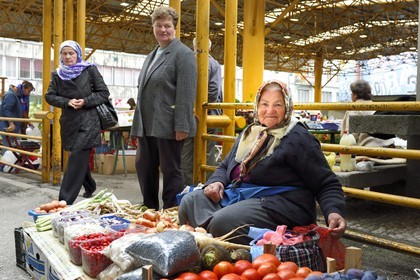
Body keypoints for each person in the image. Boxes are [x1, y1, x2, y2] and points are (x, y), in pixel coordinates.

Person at [178, 80, 347, 246]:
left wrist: (334, 212)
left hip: (279, 204)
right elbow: (226, 166)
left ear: (287, 107)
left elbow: (326, 182)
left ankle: (215, 231)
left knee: (224, 222)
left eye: (278, 105)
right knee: (190, 201)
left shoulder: (298, 138)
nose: (270, 111)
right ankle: (215, 234)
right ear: (257, 106)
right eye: (264, 104)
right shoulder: (250, 133)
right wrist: (217, 182)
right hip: (242, 198)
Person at [130, 6, 197, 210]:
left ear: (175, 28)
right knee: (144, 166)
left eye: (167, 26)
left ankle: (171, 210)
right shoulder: (152, 55)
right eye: (159, 26)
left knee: (171, 169)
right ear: (153, 28)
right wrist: (136, 126)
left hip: (169, 124)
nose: (163, 30)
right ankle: (149, 208)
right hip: (147, 124)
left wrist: (182, 125)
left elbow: (186, 93)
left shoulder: (183, 54)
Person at [45, 40, 111, 204]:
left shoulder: (89, 70)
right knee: (78, 156)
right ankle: (90, 186)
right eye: (64, 53)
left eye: (71, 53)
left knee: (76, 157)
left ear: (78, 54)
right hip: (69, 122)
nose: (68, 56)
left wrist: (85, 101)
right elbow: (50, 96)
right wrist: (67, 102)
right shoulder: (58, 74)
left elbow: (103, 93)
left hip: (89, 121)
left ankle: (64, 202)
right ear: (60, 55)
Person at [182, 38, 223, 185]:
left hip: (188, 115)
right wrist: (200, 105)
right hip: (209, 115)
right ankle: (207, 186)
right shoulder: (214, 64)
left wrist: (190, 105)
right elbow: (213, 91)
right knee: (207, 153)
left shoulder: (186, 62)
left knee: (186, 153)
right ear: (210, 49)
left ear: (193, 47)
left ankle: (186, 187)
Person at [341, 80, 395, 147]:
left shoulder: (355, 108)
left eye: (351, 93)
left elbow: (350, 136)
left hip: (371, 148)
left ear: (355, 95)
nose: (351, 95)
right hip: (389, 146)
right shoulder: (377, 106)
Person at [0, 81, 35, 155]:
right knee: (8, 148)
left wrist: (27, 121)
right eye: (28, 91)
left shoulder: (23, 96)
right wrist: (11, 123)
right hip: (8, 125)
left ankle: (14, 165)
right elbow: (7, 110)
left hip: (16, 125)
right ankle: (5, 166)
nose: (29, 94)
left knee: (17, 147)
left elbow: (23, 110)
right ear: (23, 88)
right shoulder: (11, 95)